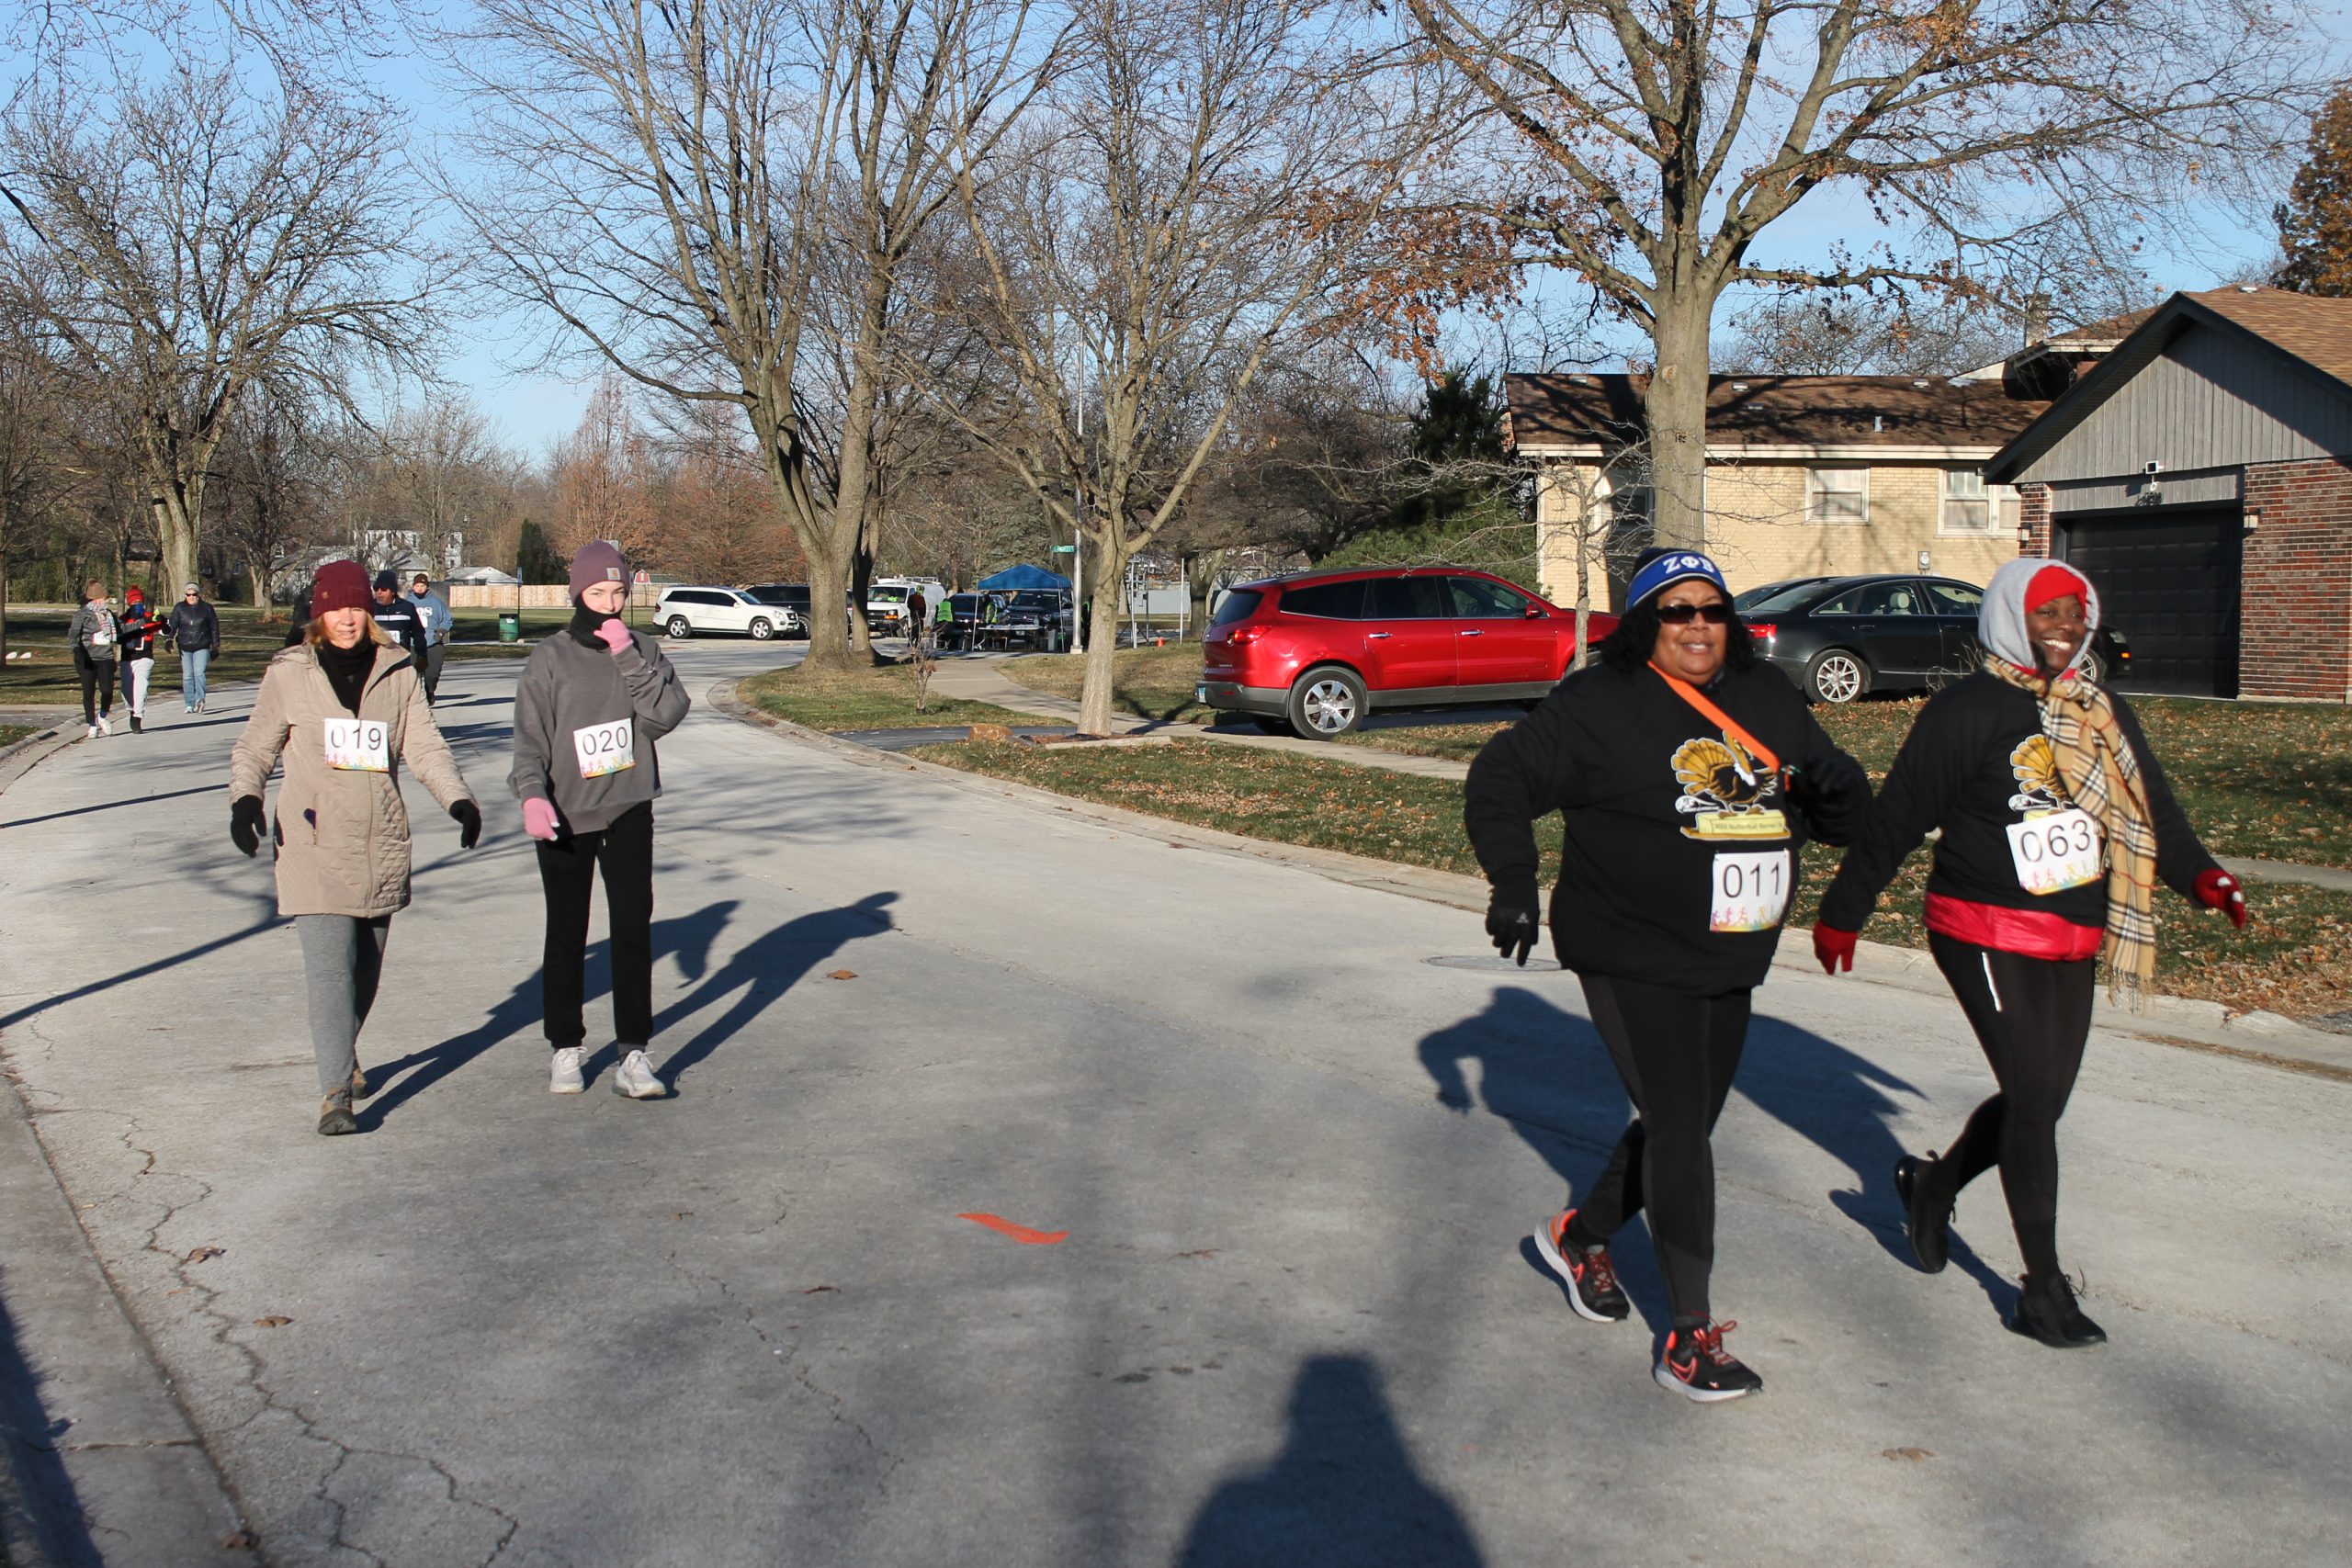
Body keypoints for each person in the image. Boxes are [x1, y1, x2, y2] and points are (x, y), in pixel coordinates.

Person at [1464, 547, 1871, 1403]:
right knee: (1681, 1128)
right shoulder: (1601, 704)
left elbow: (1832, 815)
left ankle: (1583, 1236)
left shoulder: (1767, 698)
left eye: (1711, 610)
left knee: (1681, 1125)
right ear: (1645, 623)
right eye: (1675, 611)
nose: (1696, 626)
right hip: (1628, 946)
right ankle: (1689, 1335)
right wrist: (1512, 882)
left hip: (1731, 952)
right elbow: (1500, 775)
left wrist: (1839, 792)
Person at [1812, 558, 2244, 1348]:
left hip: (2074, 930)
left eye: (2076, 615)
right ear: (2013, 617)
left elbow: (2155, 810)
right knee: (2036, 1101)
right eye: (2048, 614)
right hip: (1981, 924)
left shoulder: (2100, 711)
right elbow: (1899, 815)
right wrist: (1844, 913)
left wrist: (2204, 877)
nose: (2065, 629)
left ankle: (1934, 1185)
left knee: (2036, 1103)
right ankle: (2042, 1289)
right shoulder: (1967, 710)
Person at [228, 559, 481, 1136]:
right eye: (334, 608)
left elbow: (425, 745)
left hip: (379, 841)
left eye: (355, 607)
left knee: (365, 970)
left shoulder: (397, 671)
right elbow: (254, 746)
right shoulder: (290, 673)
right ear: (319, 613)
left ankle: (344, 1050)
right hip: (313, 840)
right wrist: (245, 800)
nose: (345, 618)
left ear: (369, 610)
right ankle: (335, 1090)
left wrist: (458, 800)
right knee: (330, 973)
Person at [510, 541, 691, 1100]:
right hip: (565, 814)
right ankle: (566, 1046)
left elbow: (666, 715)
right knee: (567, 932)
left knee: (633, 931)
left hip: (630, 807)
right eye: (597, 592)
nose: (609, 603)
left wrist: (628, 658)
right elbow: (529, 740)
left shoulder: (642, 648)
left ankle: (633, 1052)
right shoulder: (550, 657)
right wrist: (531, 796)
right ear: (577, 594)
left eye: (618, 592)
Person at [65, 580, 119, 739]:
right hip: (87, 659)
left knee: (107, 691)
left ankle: (102, 717)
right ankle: (92, 725)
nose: (107, 601)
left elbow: (120, 631)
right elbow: (73, 635)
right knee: (88, 692)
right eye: (105, 599)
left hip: (106, 658)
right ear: (96, 599)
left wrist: (142, 624)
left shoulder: (109, 615)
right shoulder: (83, 614)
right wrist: (77, 651)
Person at [169, 582, 220, 713]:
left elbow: (214, 627)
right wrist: (169, 639)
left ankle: (200, 699)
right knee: (187, 675)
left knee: (199, 672)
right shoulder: (179, 608)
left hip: (202, 645)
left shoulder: (207, 608)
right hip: (185, 646)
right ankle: (189, 703)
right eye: (188, 595)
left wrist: (215, 646)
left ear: (198, 595)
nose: (191, 597)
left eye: (194, 594)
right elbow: (173, 625)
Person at [118, 588, 163, 733]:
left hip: (145, 657)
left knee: (141, 687)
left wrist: (161, 622)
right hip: (127, 658)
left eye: (140, 602)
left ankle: (138, 717)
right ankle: (132, 709)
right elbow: (118, 634)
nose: (137, 604)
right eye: (134, 602)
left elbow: (164, 630)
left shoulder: (150, 616)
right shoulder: (124, 619)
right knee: (126, 689)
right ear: (129, 603)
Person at [406, 572, 454, 705]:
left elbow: (447, 619)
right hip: (412, 643)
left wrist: (441, 632)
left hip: (432, 642)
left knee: (432, 674)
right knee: (411, 675)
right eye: (417, 585)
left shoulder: (436, 603)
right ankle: (414, 699)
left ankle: (430, 690)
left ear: (427, 587)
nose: (419, 588)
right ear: (413, 586)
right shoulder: (407, 603)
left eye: (422, 585)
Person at [371, 571, 426, 658]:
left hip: (401, 660)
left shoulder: (407, 607)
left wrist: (422, 655)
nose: (379, 592)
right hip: (376, 661)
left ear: (393, 591)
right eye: (376, 589)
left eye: (384, 589)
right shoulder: (369, 608)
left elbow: (418, 633)